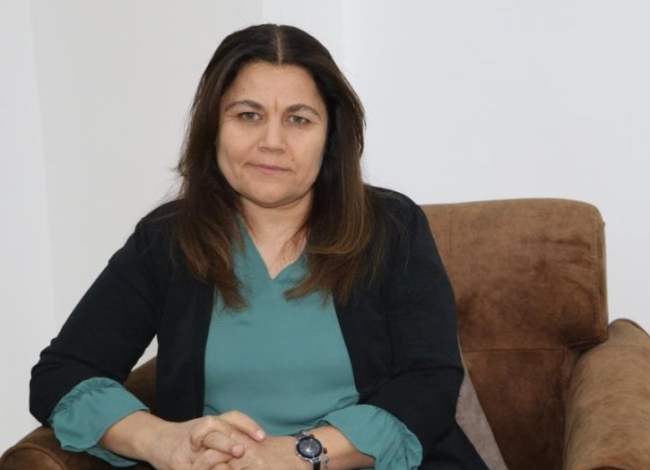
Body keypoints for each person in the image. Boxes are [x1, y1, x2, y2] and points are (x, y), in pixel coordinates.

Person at [29, 24, 488, 470]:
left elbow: (430, 380)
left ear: (330, 136)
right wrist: (163, 441)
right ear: (214, 127)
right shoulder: (167, 239)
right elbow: (62, 373)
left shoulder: (391, 227)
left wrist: (299, 455)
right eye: (248, 115)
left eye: (299, 119)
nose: (272, 142)